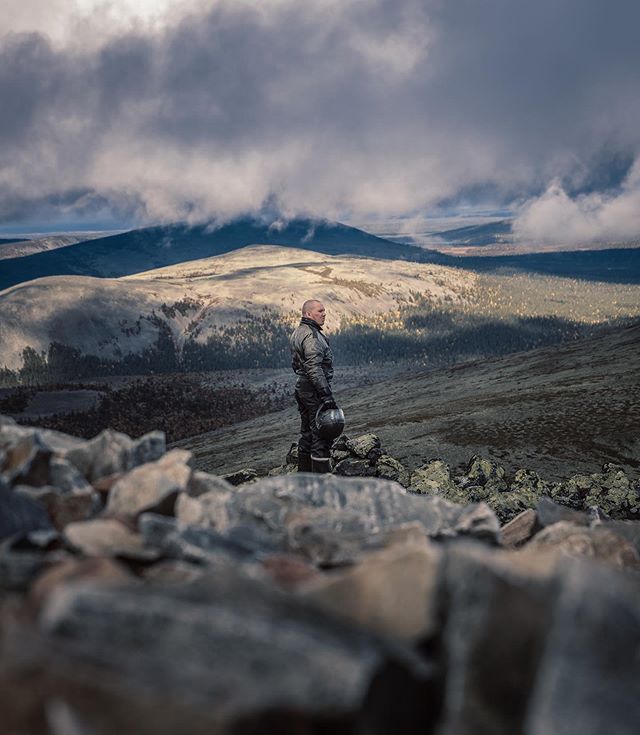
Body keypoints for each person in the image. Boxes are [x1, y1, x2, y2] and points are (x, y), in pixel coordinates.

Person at [290, 299, 338, 473]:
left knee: (307, 434)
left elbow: (296, 364)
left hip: (302, 387)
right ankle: (321, 484)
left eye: (324, 310)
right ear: (308, 314)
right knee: (321, 435)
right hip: (313, 390)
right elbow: (313, 367)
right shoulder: (312, 335)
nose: (324, 314)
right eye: (320, 311)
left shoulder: (298, 332)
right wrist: (326, 395)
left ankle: (305, 479)